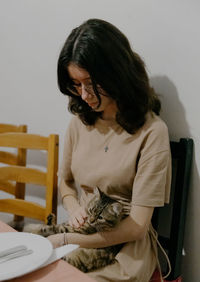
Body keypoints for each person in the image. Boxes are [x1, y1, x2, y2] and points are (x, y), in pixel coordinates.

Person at [47, 18, 171, 282]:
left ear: (116, 73)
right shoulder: (79, 123)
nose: (84, 94)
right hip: (79, 237)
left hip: (125, 251)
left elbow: (137, 227)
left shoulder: (151, 132)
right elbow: (65, 182)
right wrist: (73, 208)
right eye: (75, 84)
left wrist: (68, 237)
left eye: (90, 83)